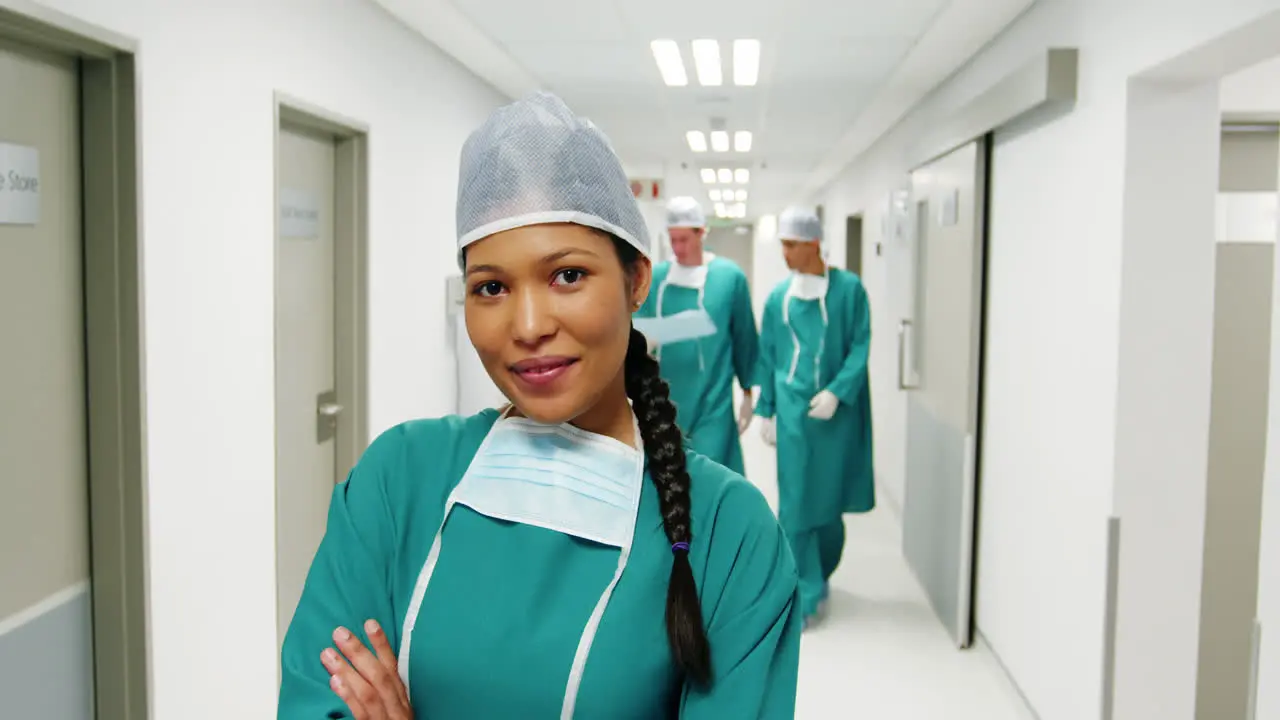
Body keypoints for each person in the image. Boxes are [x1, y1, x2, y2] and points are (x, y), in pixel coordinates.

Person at [277, 92, 801, 720]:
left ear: (637, 280)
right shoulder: (399, 480)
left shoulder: (729, 534)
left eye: (567, 276)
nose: (527, 326)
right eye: (491, 287)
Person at [754, 205, 874, 628]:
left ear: (814, 244)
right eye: (782, 245)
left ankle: (820, 572)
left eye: (791, 245)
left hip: (833, 419)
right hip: (792, 415)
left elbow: (860, 345)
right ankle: (800, 593)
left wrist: (838, 393)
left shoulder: (849, 291)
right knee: (795, 504)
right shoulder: (777, 299)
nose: (784, 254)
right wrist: (766, 407)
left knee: (828, 502)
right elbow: (768, 354)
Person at [634, 196, 759, 475]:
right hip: (665, 399)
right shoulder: (657, 278)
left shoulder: (728, 278)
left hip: (712, 403)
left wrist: (749, 393)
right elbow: (637, 326)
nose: (677, 248)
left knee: (712, 480)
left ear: (702, 232)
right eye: (673, 240)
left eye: (684, 240)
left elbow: (744, 337)